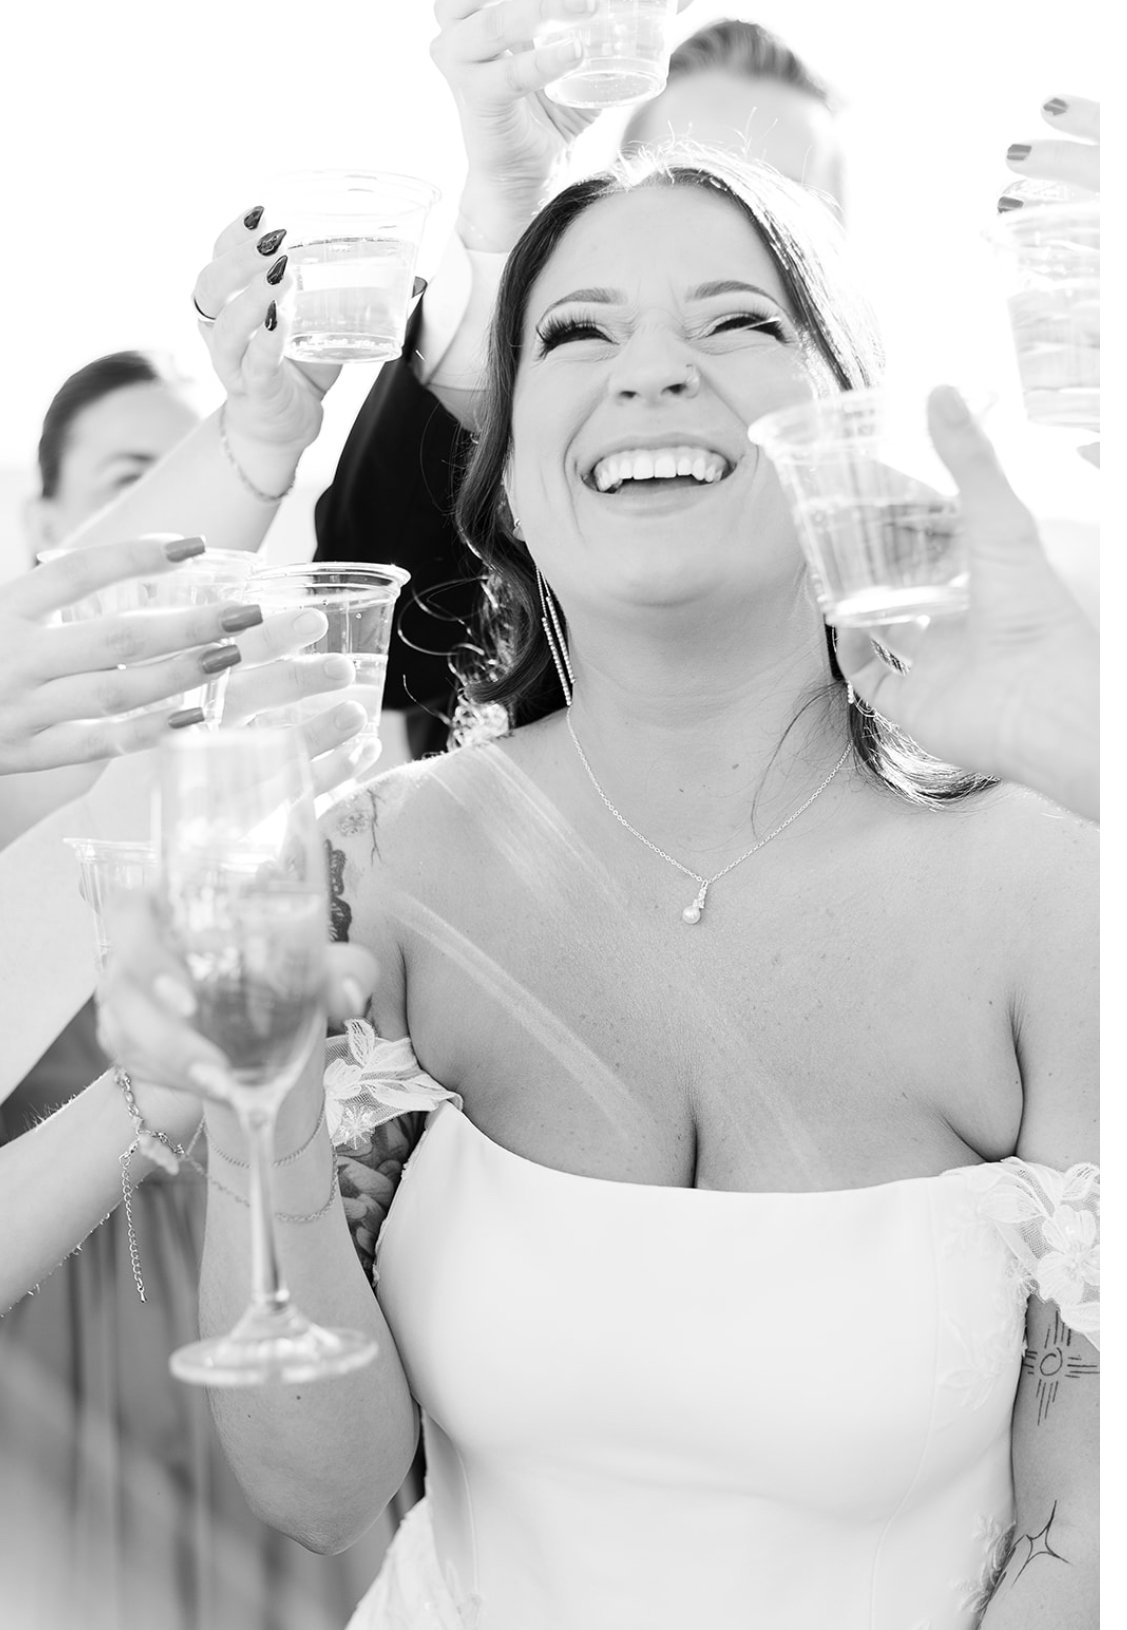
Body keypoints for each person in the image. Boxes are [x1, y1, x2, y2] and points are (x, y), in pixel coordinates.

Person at [101, 149, 1098, 1629]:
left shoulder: (1057, 881)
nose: (649, 373)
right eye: (573, 332)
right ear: (501, 479)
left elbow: (1080, 1523)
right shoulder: (370, 869)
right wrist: (274, 1143)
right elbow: (321, 1496)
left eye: (736, 323)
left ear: (855, 434)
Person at [312, 11, 845, 753]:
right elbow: (386, 639)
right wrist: (503, 207)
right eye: (691, 168)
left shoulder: (953, 580)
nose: (725, 213)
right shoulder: (563, 454)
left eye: (775, 189)